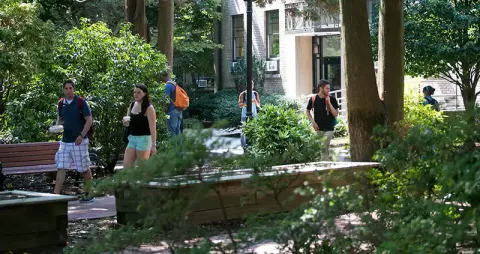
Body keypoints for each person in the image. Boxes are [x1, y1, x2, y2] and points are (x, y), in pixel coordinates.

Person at [53, 80, 94, 203]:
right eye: (66, 88)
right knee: (61, 166)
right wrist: (55, 127)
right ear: (63, 90)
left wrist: (81, 135)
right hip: (65, 141)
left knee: (84, 168)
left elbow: (89, 120)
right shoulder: (61, 103)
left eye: (70, 88)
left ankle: (90, 193)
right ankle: (55, 196)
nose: (68, 90)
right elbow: (60, 119)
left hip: (79, 141)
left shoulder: (81, 102)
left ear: (73, 89)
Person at [122, 84, 157, 168]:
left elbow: (153, 127)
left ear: (144, 93)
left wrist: (153, 145)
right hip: (132, 138)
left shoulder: (149, 108)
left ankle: (145, 181)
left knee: (142, 168)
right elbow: (128, 122)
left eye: (138, 92)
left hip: (144, 139)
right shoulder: (132, 105)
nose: (136, 94)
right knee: (127, 167)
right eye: (134, 92)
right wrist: (125, 122)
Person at [305, 79, 339, 160]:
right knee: (322, 149)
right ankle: (326, 165)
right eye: (327, 88)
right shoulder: (313, 99)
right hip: (318, 129)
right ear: (321, 88)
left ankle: (323, 167)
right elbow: (307, 111)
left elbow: (336, 114)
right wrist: (313, 122)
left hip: (329, 129)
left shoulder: (332, 99)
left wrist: (329, 103)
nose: (329, 90)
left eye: (329, 88)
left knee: (323, 148)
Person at [238, 81, 260, 147]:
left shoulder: (255, 94)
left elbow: (258, 105)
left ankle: (254, 145)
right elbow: (240, 105)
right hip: (244, 115)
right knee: (244, 131)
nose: (251, 87)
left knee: (254, 130)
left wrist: (255, 101)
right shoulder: (242, 94)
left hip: (254, 115)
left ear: (253, 86)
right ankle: (243, 146)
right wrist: (248, 102)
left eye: (252, 85)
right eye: (249, 85)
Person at [162, 72, 183, 137]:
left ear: (163, 76)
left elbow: (166, 101)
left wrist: (163, 111)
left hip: (172, 111)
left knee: (171, 131)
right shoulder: (174, 84)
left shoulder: (167, 86)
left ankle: (173, 147)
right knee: (177, 130)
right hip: (179, 110)